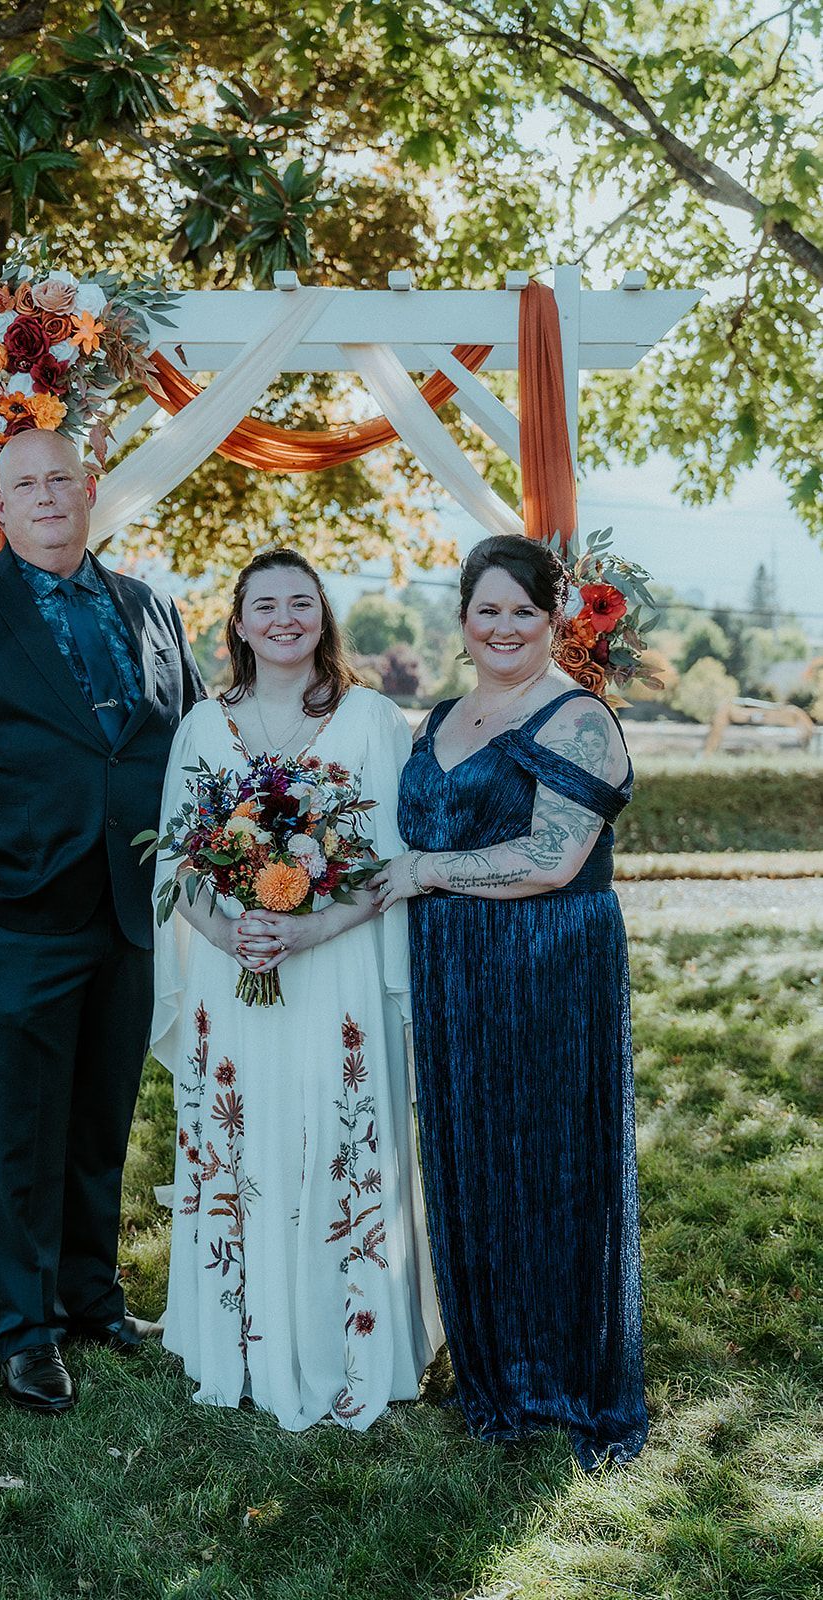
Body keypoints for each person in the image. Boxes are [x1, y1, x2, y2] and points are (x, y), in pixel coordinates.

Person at [0, 428, 204, 1414]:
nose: (48, 495)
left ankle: (90, 1295)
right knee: (20, 1135)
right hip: (11, 917)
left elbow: (183, 735)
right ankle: (26, 1335)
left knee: (99, 1124)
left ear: (90, 489)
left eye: (62, 477)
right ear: (1, 506)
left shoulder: (148, 605)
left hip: (126, 911)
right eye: (26, 483)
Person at [370, 533, 648, 1469]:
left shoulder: (577, 718)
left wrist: (419, 871)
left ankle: (567, 1376)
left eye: (522, 611)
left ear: (554, 617)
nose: (502, 626)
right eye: (485, 610)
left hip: (547, 962)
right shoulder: (439, 717)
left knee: (550, 1158)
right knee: (472, 1154)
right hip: (451, 964)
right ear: (461, 619)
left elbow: (550, 859)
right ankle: (494, 1368)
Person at [151, 548, 441, 1430]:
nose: (284, 618)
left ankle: (346, 1340)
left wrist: (308, 926)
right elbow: (176, 857)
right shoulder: (204, 726)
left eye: (301, 603)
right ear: (235, 623)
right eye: (264, 604)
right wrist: (230, 931)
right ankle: (239, 1343)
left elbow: (391, 862)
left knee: (332, 1130)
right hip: (235, 975)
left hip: (337, 965)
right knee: (250, 1140)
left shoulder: (370, 719)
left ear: (323, 618)